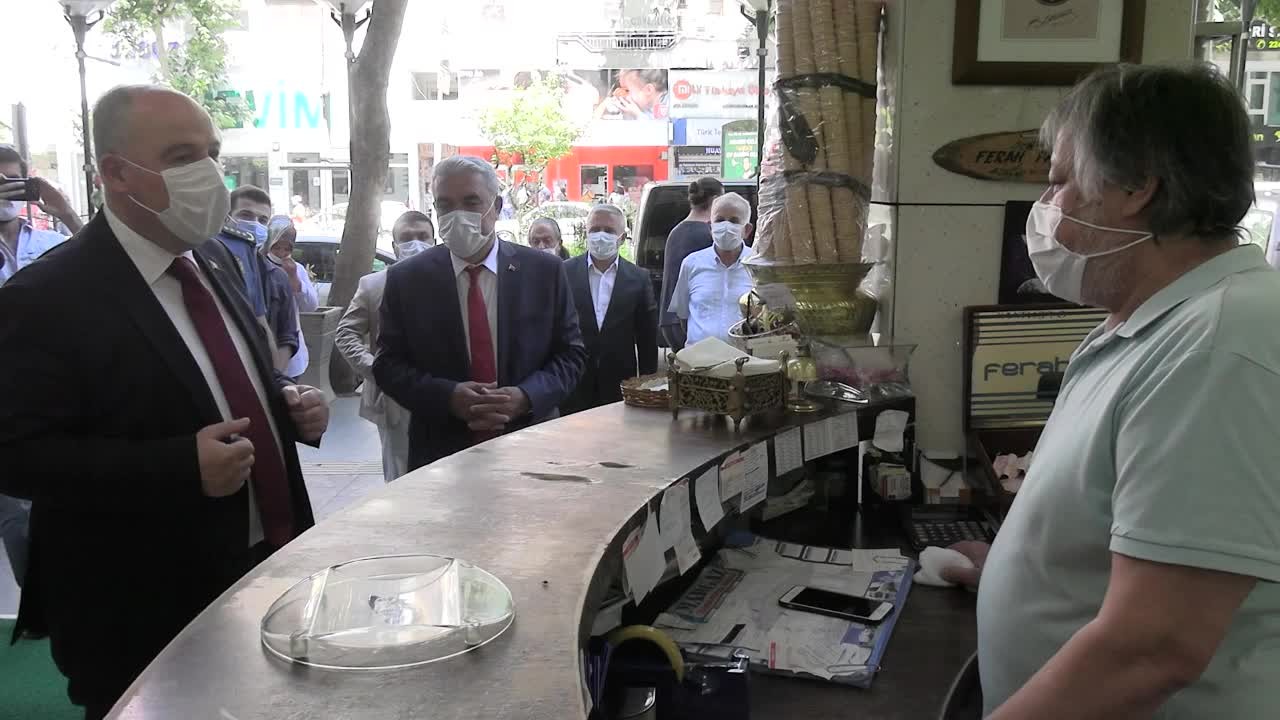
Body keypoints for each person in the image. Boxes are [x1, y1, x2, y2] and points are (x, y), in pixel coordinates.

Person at [935, 64, 1280, 719]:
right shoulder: (1148, 324)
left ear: (1135, 187)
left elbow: (1155, 646)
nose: (1047, 206)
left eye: (1061, 179)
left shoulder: (1218, 347)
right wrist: (1022, 569)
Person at [0, 84, 329, 719]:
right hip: (141, 609)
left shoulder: (213, 258)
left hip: (267, 566)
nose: (209, 174)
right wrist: (176, 466)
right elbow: (14, 455)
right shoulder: (45, 297)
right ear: (117, 173)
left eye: (212, 153)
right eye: (182, 157)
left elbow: (218, 373)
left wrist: (285, 403)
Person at [373, 155, 587, 470]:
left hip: (531, 446)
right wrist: (447, 396)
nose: (458, 214)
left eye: (471, 202)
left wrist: (526, 397)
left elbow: (571, 355)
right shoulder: (406, 278)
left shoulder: (545, 272)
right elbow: (388, 365)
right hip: (440, 457)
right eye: (445, 205)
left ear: (496, 207)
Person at [0, 145, 82, 590]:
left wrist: (66, 212)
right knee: (16, 518)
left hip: (45, 399)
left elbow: (104, 268)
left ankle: (50, 602)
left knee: (34, 516)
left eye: (11, 182)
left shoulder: (51, 243)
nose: (3, 193)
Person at [335, 210, 434, 483]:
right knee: (400, 474)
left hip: (444, 393)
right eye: (407, 238)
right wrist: (377, 369)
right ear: (394, 246)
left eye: (422, 236)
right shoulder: (373, 284)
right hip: (393, 399)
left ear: (434, 241)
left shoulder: (452, 282)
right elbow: (346, 333)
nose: (415, 243)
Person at [561, 205, 658, 414]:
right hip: (573, 380)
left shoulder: (638, 278)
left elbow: (647, 338)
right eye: (595, 229)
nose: (601, 236)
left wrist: (647, 383)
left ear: (621, 238)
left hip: (619, 383)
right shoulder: (564, 272)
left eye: (609, 230)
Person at [667, 190, 750, 347]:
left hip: (744, 359)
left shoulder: (758, 266)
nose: (726, 226)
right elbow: (683, 316)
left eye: (734, 221)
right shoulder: (691, 264)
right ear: (710, 227)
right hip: (699, 359)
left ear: (747, 230)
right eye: (719, 220)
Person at [0, 144, 81, 284]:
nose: (5, 189)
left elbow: (103, 265)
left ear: (25, 184)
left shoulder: (52, 243)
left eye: (13, 181)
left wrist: (69, 216)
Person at [660, 177, 723, 350]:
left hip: (669, 321)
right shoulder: (707, 234)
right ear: (715, 200)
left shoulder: (676, 232)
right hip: (689, 321)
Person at [263, 216, 316, 379]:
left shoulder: (297, 269)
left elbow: (310, 306)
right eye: (276, 248)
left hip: (292, 354)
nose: (281, 253)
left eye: (286, 249)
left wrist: (294, 279)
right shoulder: (258, 265)